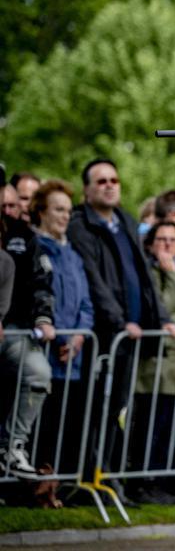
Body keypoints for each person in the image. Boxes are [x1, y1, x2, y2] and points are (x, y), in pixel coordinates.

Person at [67, 159, 175, 491]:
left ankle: (107, 476)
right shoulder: (80, 226)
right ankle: (87, 479)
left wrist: (162, 319)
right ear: (87, 189)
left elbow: (144, 278)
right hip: (103, 335)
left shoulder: (126, 221)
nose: (109, 185)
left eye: (113, 179)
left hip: (131, 337)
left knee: (116, 407)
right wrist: (118, 322)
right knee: (92, 408)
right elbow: (93, 279)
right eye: (100, 181)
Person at [29, 181, 94, 479]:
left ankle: (59, 484)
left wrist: (79, 336)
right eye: (58, 209)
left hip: (73, 358)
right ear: (41, 211)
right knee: (40, 424)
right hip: (44, 353)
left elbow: (85, 304)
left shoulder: (74, 256)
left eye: (68, 210)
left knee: (65, 425)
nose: (65, 216)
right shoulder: (35, 248)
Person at [130, 220, 175, 504]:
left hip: (173, 370)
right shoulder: (149, 274)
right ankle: (144, 482)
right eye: (161, 239)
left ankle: (160, 482)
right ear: (150, 243)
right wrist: (168, 322)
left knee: (167, 429)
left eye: (172, 239)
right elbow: (162, 309)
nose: (167, 245)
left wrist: (171, 322)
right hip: (151, 370)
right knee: (148, 429)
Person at [0, 204, 55, 477]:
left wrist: (43, 317)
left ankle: (12, 446)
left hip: (13, 330)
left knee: (38, 370)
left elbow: (40, 281)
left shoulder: (21, 234)